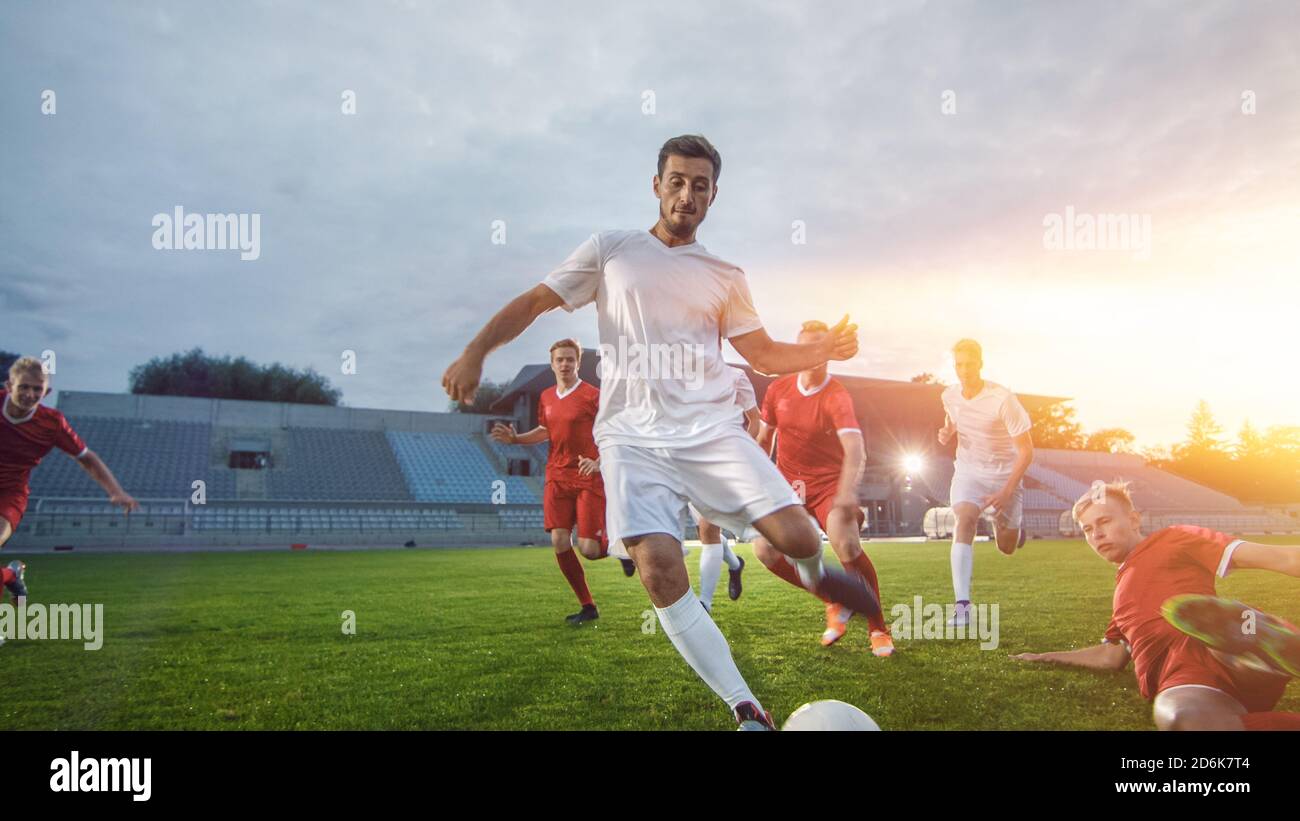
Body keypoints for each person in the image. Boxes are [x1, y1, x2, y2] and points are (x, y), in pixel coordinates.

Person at [443, 134, 881, 729]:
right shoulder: (611, 250)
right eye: (676, 181)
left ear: (713, 195)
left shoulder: (725, 275)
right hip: (631, 438)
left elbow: (762, 352)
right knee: (657, 568)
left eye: (700, 185)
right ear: (657, 186)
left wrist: (822, 350)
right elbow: (534, 302)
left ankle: (818, 578)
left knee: (799, 536)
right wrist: (476, 351)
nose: (686, 194)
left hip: (711, 432)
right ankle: (745, 707)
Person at [1013, 481, 1300, 730]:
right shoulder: (1122, 596)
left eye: (1104, 522)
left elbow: (1280, 558)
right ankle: (1257, 650)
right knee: (1182, 719)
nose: (1096, 534)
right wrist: (1043, 656)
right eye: (1087, 529)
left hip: (1210, 650)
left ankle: (1253, 639)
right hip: (1188, 680)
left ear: (1134, 519)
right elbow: (1109, 656)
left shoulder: (1173, 539)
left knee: (1224, 638)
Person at [753, 321, 893, 657]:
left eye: (820, 346)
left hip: (828, 484)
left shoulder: (836, 395)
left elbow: (855, 449)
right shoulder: (778, 390)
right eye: (805, 347)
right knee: (764, 550)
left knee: (845, 542)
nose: (812, 354)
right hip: (788, 486)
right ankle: (834, 600)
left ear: (829, 350)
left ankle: (878, 628)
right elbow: (763, 440)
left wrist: (846, 492)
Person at [491, 339, 632, 624]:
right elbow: (546, 430)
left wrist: (599, 462)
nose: (565, 364)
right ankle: (588, 606)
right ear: (552, 363)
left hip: (587, 475)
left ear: (578, 363)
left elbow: (614, 432)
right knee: (558, 540)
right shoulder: (546, 397)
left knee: (590, 550)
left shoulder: (594, 396)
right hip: (556, 476)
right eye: (560, 360)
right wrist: (517, 439)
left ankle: (623, 550)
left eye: (570, 359)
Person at [0, 356, 139, 613]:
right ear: (9, 385)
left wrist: (115, 491)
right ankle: (11, 575)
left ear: (47, 392)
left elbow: (86, 458)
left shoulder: (52, 423)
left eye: (37, 389)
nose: (30, 394)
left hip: (10, 495)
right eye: (23, 387)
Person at [937, 339, 1033, 627]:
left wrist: (1006, 492)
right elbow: (953, 418)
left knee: (1006, 547)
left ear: (980, 363)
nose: (964, 370)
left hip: (1006, 477)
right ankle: (963, 606)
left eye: (969, 364)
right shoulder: (949, 395)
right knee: (964, 518)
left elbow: (1027, 451)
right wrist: (947, 432)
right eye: (959, 364)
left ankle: (1009, 525)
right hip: (969, 471)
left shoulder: (1002, 399)